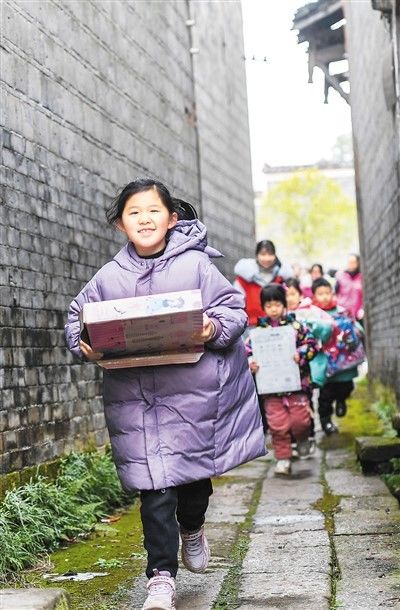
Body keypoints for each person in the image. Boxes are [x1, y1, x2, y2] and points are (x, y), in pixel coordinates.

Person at [65, 179, 265, 610]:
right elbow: (77, 317)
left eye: (153, 210)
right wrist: (81, 339)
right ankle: (160, 578)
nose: (144, 219)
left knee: (193, 486)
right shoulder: (109, 276)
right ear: (121, 224)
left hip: (191, 401)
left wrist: (213, 327)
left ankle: (192, 527)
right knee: (155, 493)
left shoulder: (195, 267)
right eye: (133, 212)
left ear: (172, 219)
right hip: (137, 405)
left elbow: (233, 310)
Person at [248, 284, 318, 476]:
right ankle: (283, 458)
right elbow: (247, 352)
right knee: (277, 426)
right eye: (269, 305)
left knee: (300, 421)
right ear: (263, 306)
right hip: (270, 389)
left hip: (297, 385)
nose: (273, 309)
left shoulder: (296, 327)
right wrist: (251, 363)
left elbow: (312, 344)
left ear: (284, 304)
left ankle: (303, 439)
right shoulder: (258, 333)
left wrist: (301, 353)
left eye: (277, 304)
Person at [312, 278, 364, 435]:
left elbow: (355, 327)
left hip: (344, 363)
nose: (325, 296)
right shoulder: (313, 314)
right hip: (325, 363)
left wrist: (357, 331)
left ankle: (341, 400)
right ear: (314, 295)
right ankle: (326, 421)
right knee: (325, 396)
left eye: (327, 293)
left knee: (347, 386)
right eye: (320, 294)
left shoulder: (342, 311)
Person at [234, 240, 293, 328]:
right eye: (263, 254)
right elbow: (236, 303)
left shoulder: (282, 278)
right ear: (257, 256)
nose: (267, 258)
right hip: (251, 325)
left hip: (278, 325)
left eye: (270, 254)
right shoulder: (243, 278)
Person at [335, 254, 364, 322]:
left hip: (359, 314)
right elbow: (336, 294)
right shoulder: (340, 276)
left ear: (358, 263)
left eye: (353, 262)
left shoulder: (362, 276)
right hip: (343, 313)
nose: (351, 264)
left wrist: (363, 309)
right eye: (349, 262)